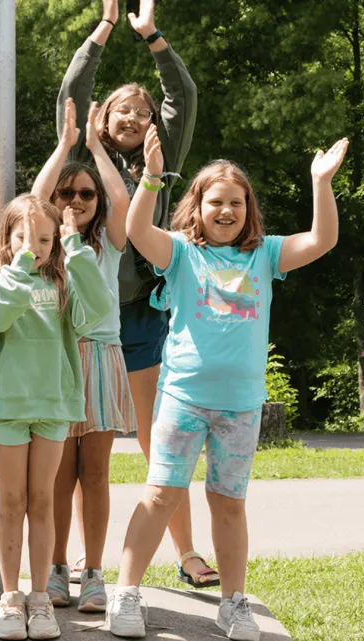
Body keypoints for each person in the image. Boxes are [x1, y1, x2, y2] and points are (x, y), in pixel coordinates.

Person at [107, 127, 349, 641]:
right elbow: (136, 231)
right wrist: (150, 178)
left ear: (248, 208)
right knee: (161, 496)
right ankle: (125, 594)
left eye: (236, 202)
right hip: (183, 400)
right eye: (215, 201)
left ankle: (233, 604)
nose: (226, 211)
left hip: (241, 407)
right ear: (196, 206)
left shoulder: (265, 255)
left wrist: (320, 182)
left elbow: (322, 240)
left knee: (229, 503)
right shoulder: (178, 253)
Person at [55, 0, 213, 589]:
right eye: (122, 108)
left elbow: (184, 97)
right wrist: (104, 29)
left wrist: (150, 35)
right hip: (79, 315)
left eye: (143, 111)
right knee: (75, 448)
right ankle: (74, 558)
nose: (134, 116)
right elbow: (74, 86)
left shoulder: (160, 161)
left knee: (159, 439)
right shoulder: (77, 158)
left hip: (142, 315)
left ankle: (188, 550)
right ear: (101, 118)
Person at [0, 195, 115, 640]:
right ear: (7, 238)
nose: (33, 246)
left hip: (54, 406)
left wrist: (75, 247)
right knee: (12, 502)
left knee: (43, 501)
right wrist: (19, 268)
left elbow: (99, 309)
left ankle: (40, 598)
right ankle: (10, 598)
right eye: (23, 237)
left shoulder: (65, 281)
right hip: (8, 407)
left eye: (44, 239)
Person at [30, 98, 134, 613]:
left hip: (99, 358)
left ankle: (92, 571)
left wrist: (95, 146)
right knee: (56, 475)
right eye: (66, 192)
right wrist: (64, 146)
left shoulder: (108, 243)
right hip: (54, 359)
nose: (76, 199)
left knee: (94, 472)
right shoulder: (43, 240)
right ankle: (55, 568)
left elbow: (122, 199)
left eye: (85, 192)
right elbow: (33, 197)